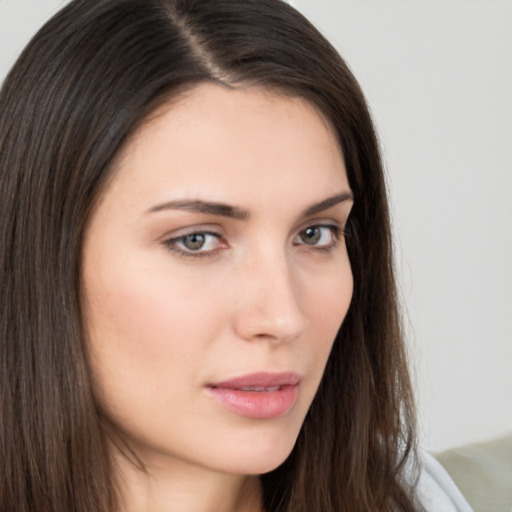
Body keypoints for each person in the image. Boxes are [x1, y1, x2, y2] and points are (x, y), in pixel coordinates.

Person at [0, 1, 473, 511]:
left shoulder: (415, 499)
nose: (284, 317)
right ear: (43, 256)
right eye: (196, 240)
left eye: (314, 233)